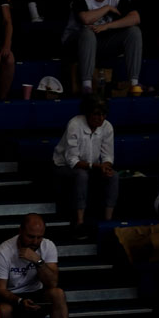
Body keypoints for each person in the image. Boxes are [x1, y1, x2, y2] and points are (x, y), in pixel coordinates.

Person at [0, 212, 76, 318]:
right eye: (30, 236)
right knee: (3, 309)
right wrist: (20, 300)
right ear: (20, 231)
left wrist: (38, 261)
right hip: (12, 296)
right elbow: (0, 290)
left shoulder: (47, 246)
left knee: (57, 294)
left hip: (37, 293)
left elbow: (52, 283)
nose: (35, 241)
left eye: (39, 237)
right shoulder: (4, 251)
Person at [62, 0, 142, 96]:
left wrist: (107, 26)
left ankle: (134, 83)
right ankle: (86, 85)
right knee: (88, 32)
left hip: (103, 42)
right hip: (76, 42)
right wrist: (107, 8)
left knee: (134, 32)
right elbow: (86, 19)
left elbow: (135, 18)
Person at [51, 94, 117, 237]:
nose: (101, 118)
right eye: (96, 114)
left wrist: (106, 166)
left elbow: (107, 155)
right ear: (87, 113)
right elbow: (72, 160)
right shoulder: (75, 124)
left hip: (92, 166)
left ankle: (108, 221)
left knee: (113, 176)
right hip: (64, 166)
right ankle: (79, 221)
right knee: (81, 175)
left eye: (103, 114)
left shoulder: (107, 127)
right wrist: (97, 167)